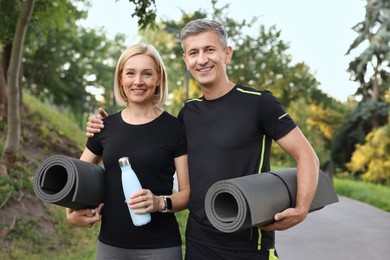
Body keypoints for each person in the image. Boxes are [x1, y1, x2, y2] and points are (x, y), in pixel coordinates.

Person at [86, 19, 319, 260]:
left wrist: (302, 209)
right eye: (194, 53)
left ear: (226, 54)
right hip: (198, 243)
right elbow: (143, 137)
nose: (202, 59)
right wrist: (106, 127)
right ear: (186, 60)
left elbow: (306, 155)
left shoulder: (260, 103)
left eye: (209, 50)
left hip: (249, 243)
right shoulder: (187, 113)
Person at [67, 43, 190, 260]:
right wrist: (71, 214)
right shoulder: (103, 127)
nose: (138, 81)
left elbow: (187, 193)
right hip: (110, 247)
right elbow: (77, 180)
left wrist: (160, 202)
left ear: (159, 78)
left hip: (160, 247)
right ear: (121, 79)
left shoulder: (175, 129)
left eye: (147, 74)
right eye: (130, 73)